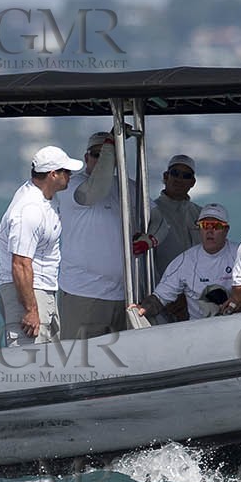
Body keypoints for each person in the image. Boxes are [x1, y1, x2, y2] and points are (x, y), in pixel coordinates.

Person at [0, 146, 82, 347]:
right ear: (53, 174)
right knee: (29, 363)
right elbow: (20, 264)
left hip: (44, 289)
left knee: (49, 360)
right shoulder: (29, 210)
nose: (70, 175)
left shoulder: (47, 198)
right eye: (66, 171)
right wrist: (30, 310)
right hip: (29, 291)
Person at [59, 131, 137, 339]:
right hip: (83, 294)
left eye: (107, 154)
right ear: (86, 158)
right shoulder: (71, 186)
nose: (102, 159)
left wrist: (150, 239)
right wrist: (111, 147)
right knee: (78, 363)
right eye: (97, 154)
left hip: (123, 295)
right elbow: (96, 190)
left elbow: (156, 218)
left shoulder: (127, 187)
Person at [134, 203, 238, 322]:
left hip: (234, 324)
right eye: (205, 225)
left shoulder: (240, 254)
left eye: (216, 226)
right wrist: (143, 308)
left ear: (226, 230)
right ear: (199, 229)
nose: (210, 231)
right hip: (198, 328)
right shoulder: (185, 260)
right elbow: (160, 297)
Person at [134, 154, 202, 280]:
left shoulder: (201, 214)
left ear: (192, 182)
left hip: (196, 289)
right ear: (166, 176)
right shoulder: (149, 212)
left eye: (186, 176)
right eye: (175, 173)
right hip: (162, 289)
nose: (179, 179)